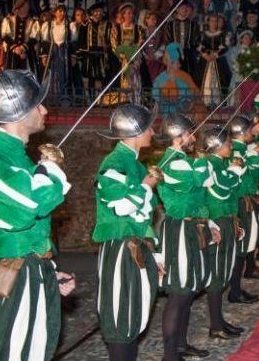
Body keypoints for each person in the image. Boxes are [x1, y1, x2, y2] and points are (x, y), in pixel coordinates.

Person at [0, 70, 75, 360]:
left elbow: (30, 229)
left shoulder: (20, 157)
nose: (45, 110)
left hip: (30, 272)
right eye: (38, 105)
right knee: (5, 351)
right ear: (18, 113)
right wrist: (51, 171)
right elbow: (25, 208)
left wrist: (48, 272)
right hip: (10, 279)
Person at [93, 104, 161, 361]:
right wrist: (146, 187)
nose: (153, 132)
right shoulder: (114, 163)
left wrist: (155, 251)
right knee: (122, 318)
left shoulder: (135, 164)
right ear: (134, 132)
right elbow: (121, 207)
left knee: (135, 315)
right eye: (148, 128)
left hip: (137, 245)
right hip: (121, 248)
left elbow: (143, 217)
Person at [156, 114, 216, 361]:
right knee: (179, 292)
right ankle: (170, 355)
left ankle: (180, 345)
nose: (193, 137)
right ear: (177, 137)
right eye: (190, 133)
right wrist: (202, 159)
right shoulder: (174, 162)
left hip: (190, 227)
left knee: (188, 290)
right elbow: (200, 180)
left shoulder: (182, 159)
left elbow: (202, 187)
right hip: (179, 229)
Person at [197, 125, 247, 339]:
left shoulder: (220, 164)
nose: (230, 146)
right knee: (217, 274)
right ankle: (216, 325)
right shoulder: (212, 165)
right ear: (217, 146)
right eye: (227, 143)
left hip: (226, 219)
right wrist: (235, 171)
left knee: (224, 270)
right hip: (217, 222)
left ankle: (219, 321)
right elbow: (222, 188)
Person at [226, 116, 259, 304]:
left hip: (246, 200)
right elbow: (242, 181)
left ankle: (236, 287)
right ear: (242, 133)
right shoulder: (236, 152)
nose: (251, 133)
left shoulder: (242, 150)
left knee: (246, 245)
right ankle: (234, 290)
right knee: (241, 247)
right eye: (249, 130)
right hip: (240, 202)